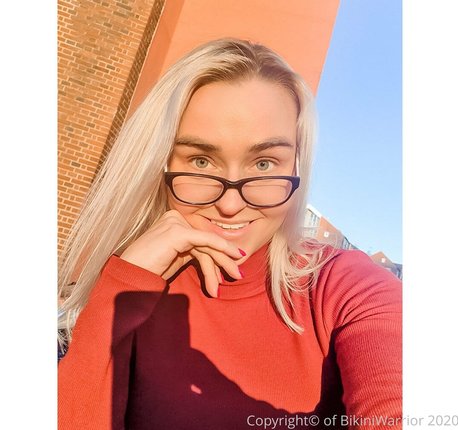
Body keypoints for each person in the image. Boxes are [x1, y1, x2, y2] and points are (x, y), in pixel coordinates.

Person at [58, 38, 402, 429]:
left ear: (296, 166)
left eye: (264, 163)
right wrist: (119, 291)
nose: (231, 204)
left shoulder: (347, 287)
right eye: (201, 161)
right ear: (160, 162)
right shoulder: (134, 284)